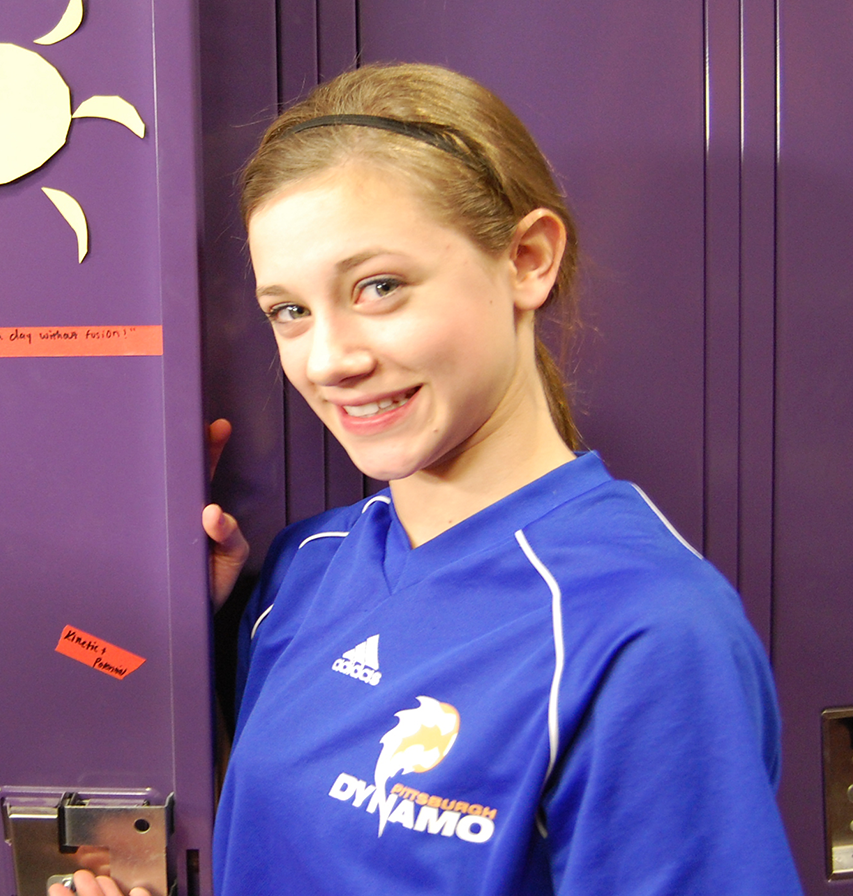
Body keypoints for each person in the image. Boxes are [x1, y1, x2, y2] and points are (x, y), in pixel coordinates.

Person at [55, 62, 804, 895]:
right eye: (290, 311)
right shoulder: (305, 567)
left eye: (378, 287)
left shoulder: (645, 633)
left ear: (527, 259)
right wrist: (168, 606)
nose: (329, 360)